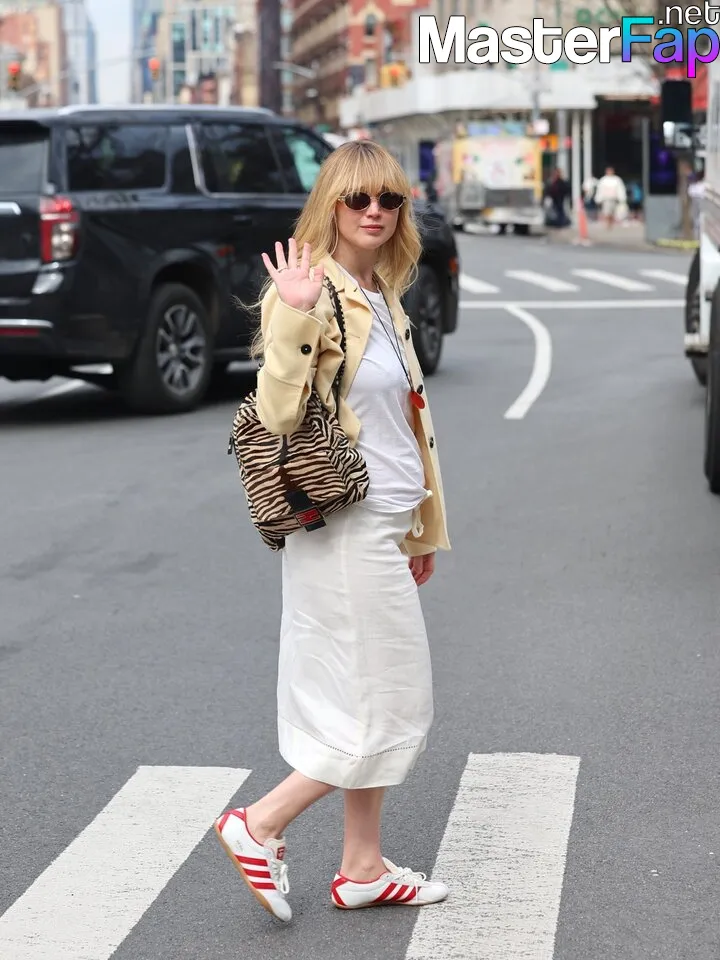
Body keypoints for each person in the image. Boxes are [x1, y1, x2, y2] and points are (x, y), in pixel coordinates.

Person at [213, 140, 452, 923]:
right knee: (391, 700)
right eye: (358, 199)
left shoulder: (382, 293)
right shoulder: (311, 292)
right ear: (332, 206)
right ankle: (261, 822)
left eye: (389, 199)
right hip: (346, 528)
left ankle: (362, 867)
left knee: (367, 693)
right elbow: (280, 414)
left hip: (382, 526)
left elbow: (401, 428)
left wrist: (418, 530)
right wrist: (291, 314)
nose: (375, 211)